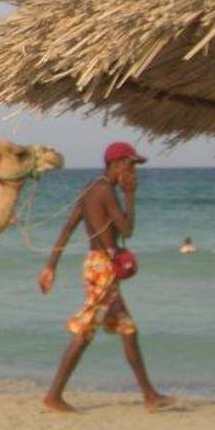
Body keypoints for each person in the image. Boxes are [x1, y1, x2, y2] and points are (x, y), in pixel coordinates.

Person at [38, 141, 173, 413]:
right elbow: (127, 229)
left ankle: (150, 395)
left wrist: (51, 266)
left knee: (128, 330)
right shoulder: (107, 191)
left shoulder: (91, 188)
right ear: (117, 164)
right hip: (103, 269)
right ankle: (54, 396)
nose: (133, 171)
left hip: (96, 265)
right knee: (85, 333)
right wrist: (130, 196)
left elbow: (67, 229)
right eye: (130, 165)